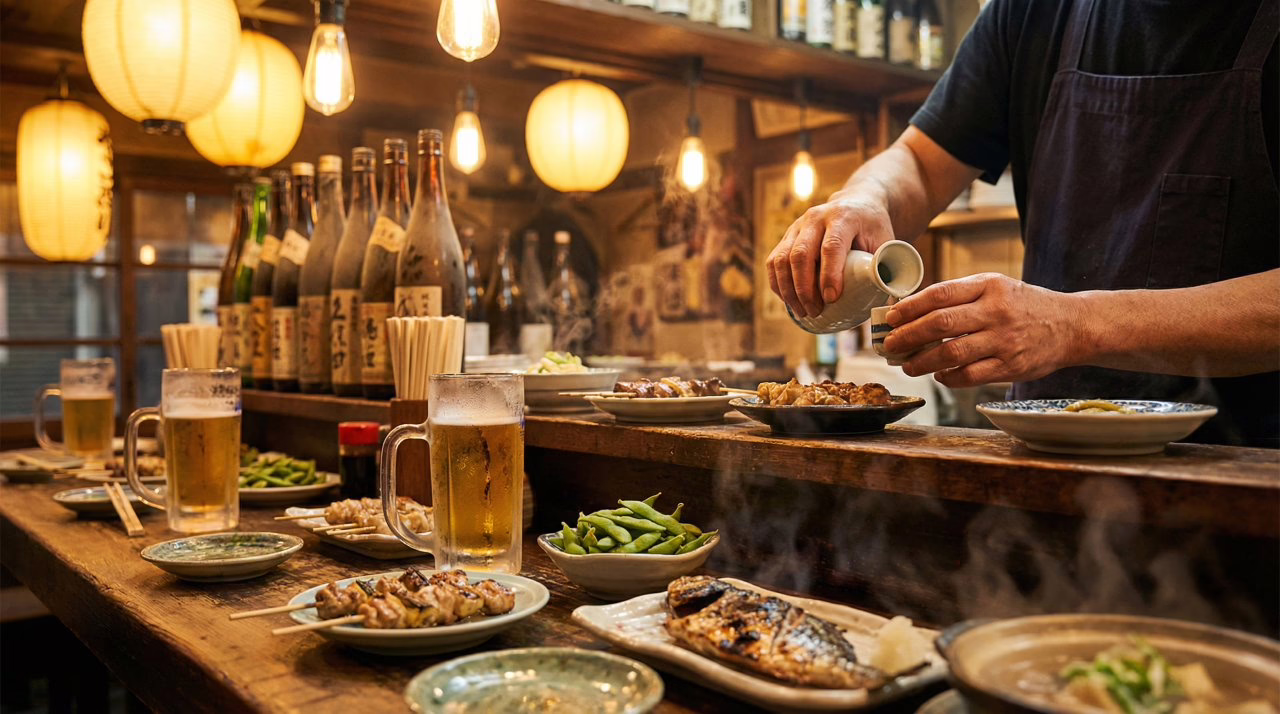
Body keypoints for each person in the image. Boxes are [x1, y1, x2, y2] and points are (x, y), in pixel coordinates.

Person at [768, 0, 1279, 447]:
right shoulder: (1034, 11)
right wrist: (864, 197)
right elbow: (921, 163)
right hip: (1042, 450)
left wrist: (1074, 325)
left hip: (1245, 462)